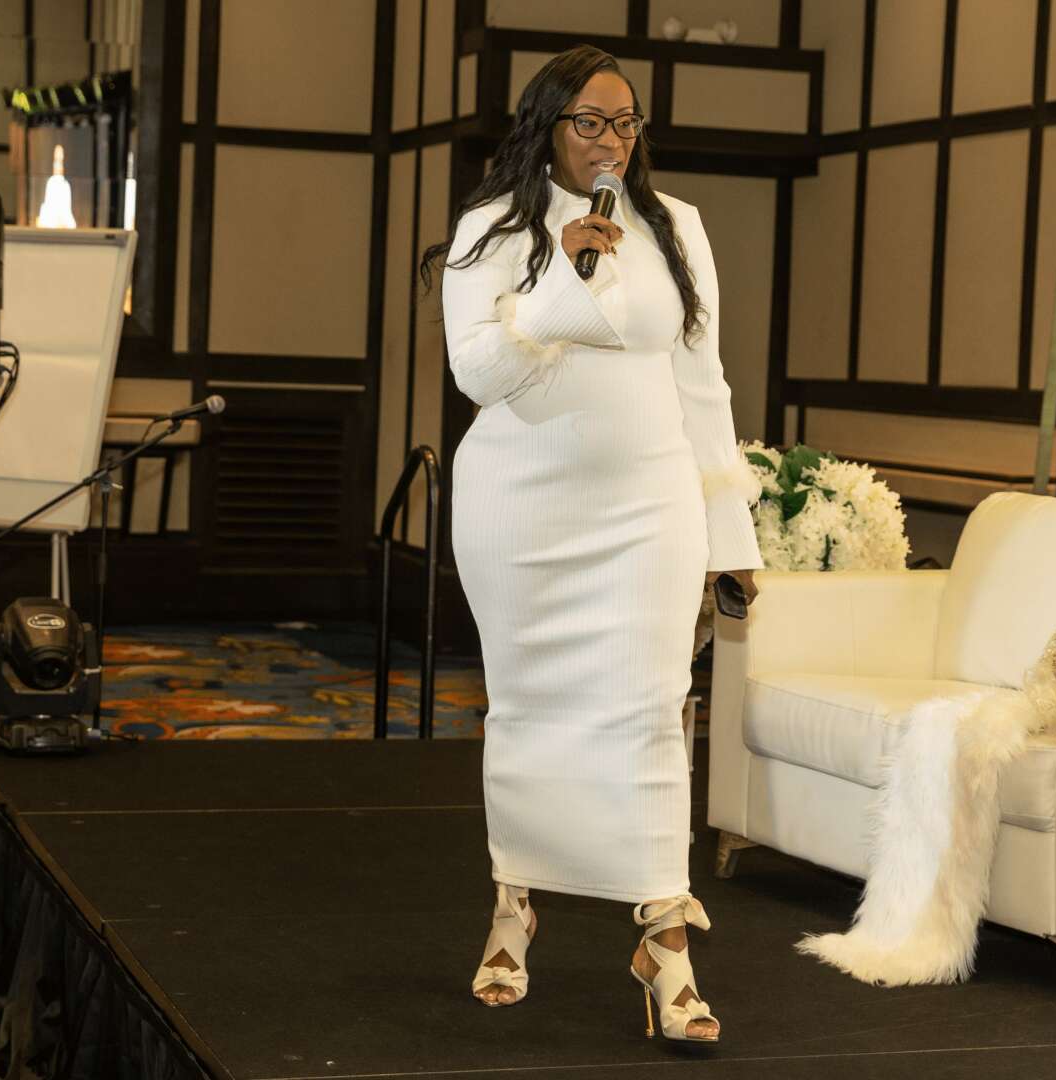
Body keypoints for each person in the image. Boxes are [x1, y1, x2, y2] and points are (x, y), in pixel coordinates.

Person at [420, 44, 762, 1043]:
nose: (610, 140)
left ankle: (665, 942)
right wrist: (565, 273)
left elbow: (703, 384)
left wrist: (729, 533)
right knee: (529, 711)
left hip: (648, 505)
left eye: (624, 122)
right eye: (589, 122)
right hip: (520, 508)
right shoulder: (493, 227)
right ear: (547, 127)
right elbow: (480, 374)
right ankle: (514, 906)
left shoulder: (676, 226)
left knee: (652, 709)